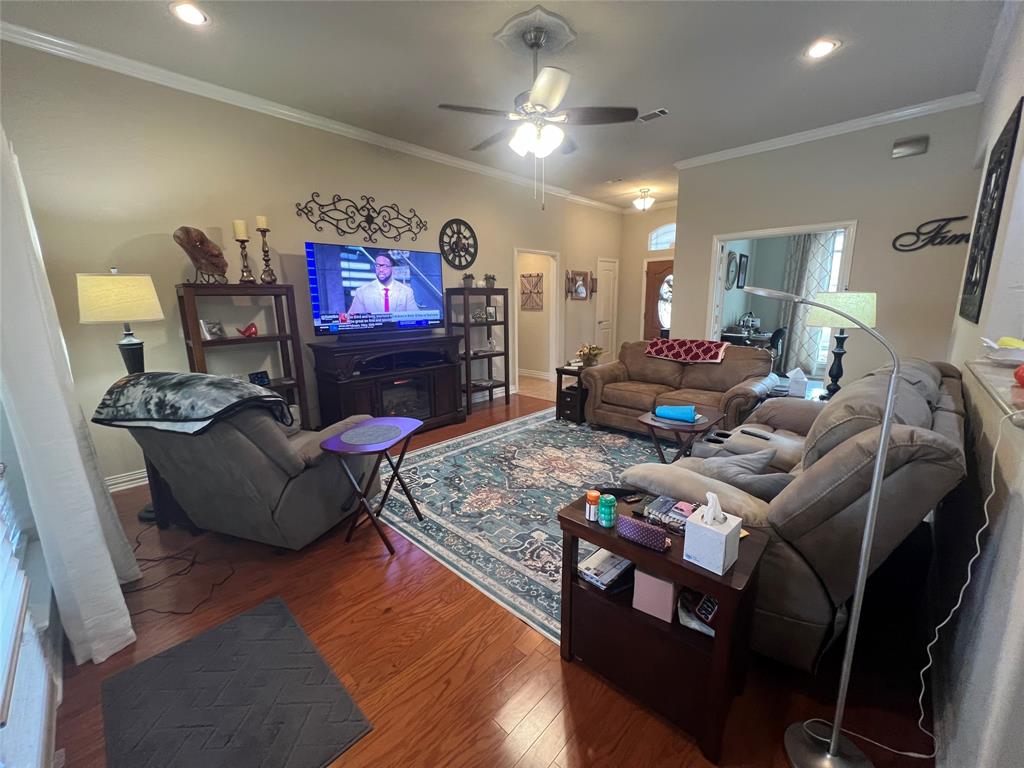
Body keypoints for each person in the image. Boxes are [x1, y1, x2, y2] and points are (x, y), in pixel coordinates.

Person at [346, 251, 418, 314]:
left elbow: (416, 317)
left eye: (384, 266)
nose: (380, 269)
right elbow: (352, 319)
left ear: (392, 268)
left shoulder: (406, 292)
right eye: (377, 266)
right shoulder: (362, 292)